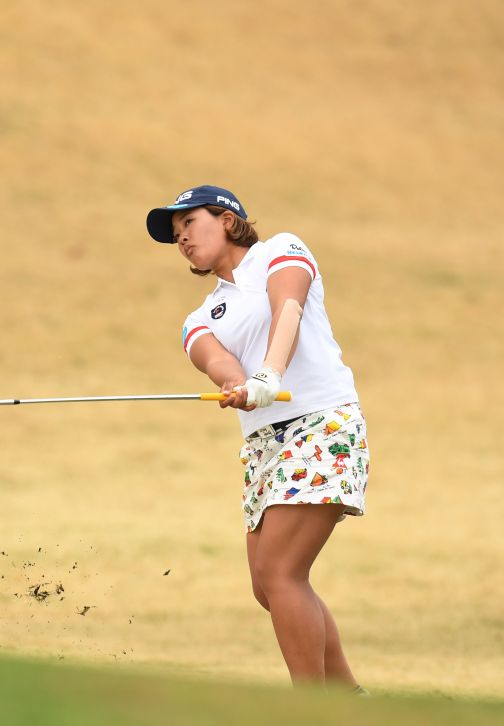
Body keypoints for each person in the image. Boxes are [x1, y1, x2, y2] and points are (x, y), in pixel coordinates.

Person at [146, 185, 370, 694]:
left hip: (322, 423)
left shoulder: (281, 250)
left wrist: (269, 375)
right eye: (174, 234)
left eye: (189, 222)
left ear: (227, 219)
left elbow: (287, 306)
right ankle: (348, 699)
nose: (180, 237)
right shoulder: (200, 317)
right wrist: (238, 386)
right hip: (264, 446)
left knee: (280, 571)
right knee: (267, 586)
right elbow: (216, 361)